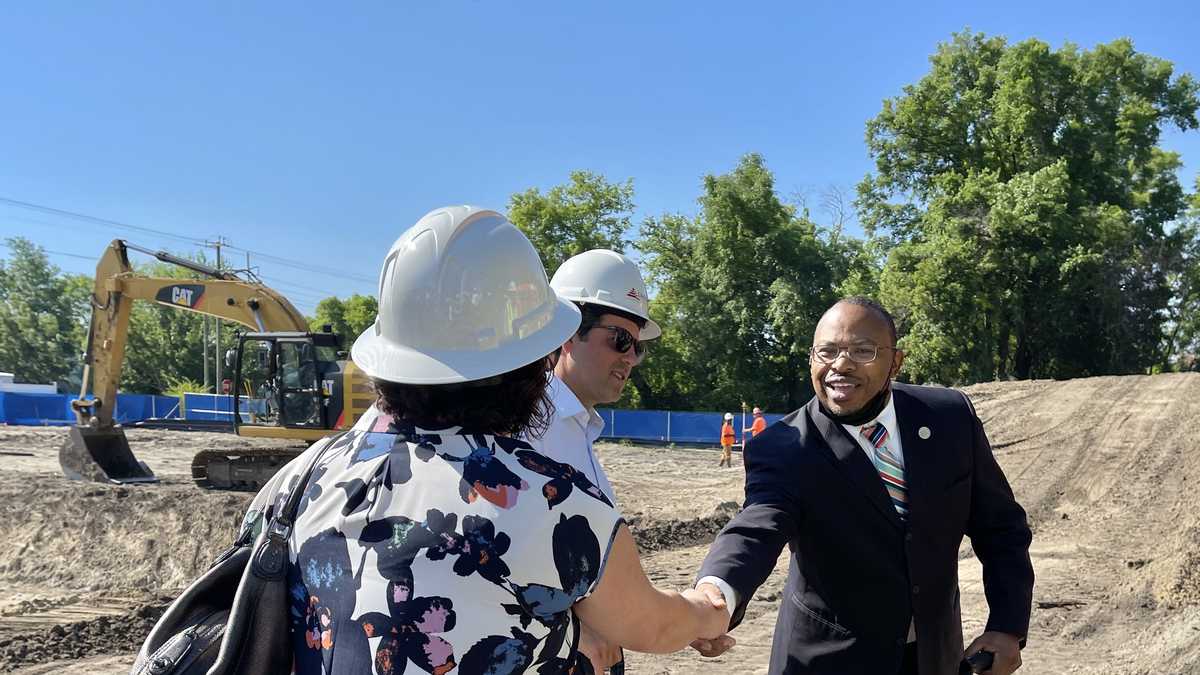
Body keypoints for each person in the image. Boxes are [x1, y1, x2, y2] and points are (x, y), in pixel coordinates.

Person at [238, 206, 728, 674]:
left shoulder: (294, 483)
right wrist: (707, 612)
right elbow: (650, 622)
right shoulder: (550, 500)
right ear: (535, 355)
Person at [693, 297, 1034, 675]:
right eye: (828, 351)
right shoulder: (785, 448)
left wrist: (1007, 626)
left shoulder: (949, 418)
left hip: (934, 657)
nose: (841, 364)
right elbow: (755, 529)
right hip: (827, 662)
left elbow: (1001, 529)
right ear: (811, 359)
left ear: (896, 361)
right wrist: (716, 592)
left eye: (862, 350)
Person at [524, 249, 661, 507]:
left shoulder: (578, 426)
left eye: (637, 346)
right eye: (620, 340)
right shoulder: (528, 427)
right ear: (568, 332)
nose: (631, 358)